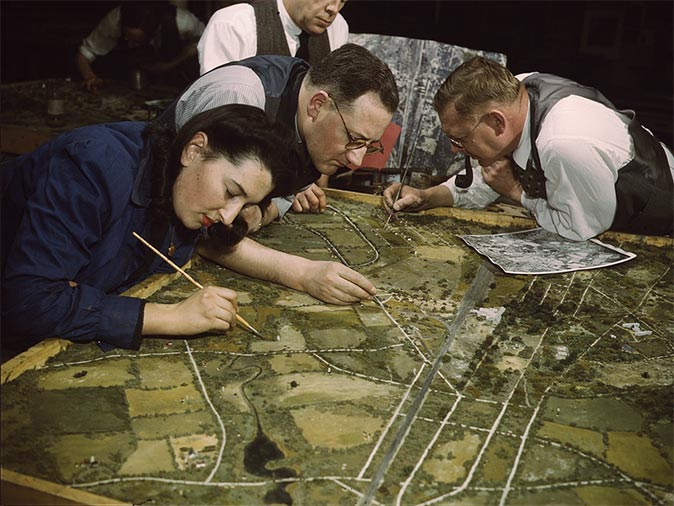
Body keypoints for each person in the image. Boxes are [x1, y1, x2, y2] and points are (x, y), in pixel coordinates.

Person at [1, 104, 376, 356]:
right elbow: (25, 300)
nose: (229, 217)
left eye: (243, 205)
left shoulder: (186, 193)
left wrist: (73, 296)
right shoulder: (94, 166)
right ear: (194, 150)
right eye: (231, 192)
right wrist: (172, 317)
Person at [383, 56, 674, 240]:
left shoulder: (563, 143)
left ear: (497, 123)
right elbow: (496, 172)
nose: (456, 149)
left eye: (460, 138)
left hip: (655, 220)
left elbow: (577, 228)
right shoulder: (515, 92)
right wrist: (430, 196)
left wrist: (516, 193)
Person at [159, 43, 399, 232]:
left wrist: (264, 213)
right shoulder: (241, 94)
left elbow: (285, 195)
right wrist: (303, 275)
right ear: (317, 105)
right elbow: (202, 220)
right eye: (354, 138)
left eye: (368, 146)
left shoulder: (315, 134)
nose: (356, 161)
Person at [75, 1, 205, 91]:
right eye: (127, 38)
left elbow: (204, 43)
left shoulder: (184, 22)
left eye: (137, 41)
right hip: (128, 83)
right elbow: (84, 53)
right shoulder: (114, 20)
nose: (130, 44)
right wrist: (90, 77)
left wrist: (170, 64)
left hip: (174, 82)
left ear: (154, 32)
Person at [197, 0, 348, 75]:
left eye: (342, 0)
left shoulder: (337, 27)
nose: (333, 8)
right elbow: (220, 107)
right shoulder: (235, 24)